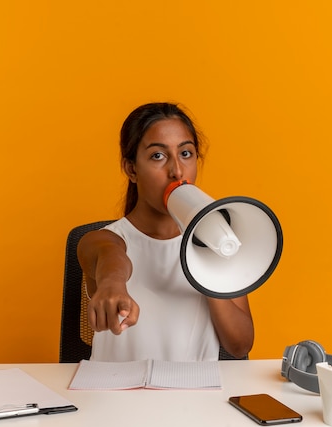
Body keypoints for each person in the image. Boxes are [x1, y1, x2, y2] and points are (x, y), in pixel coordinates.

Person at [77, 102, 254, 362]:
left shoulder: (220, 241)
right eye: (158, 156)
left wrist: (203, 254)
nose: (177, 171)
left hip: (193, 397)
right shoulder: (105, 238)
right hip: (116, 398)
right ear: (131, 169)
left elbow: (240, 345)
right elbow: (111, 256)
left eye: (186, 153)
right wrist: (112, 284)